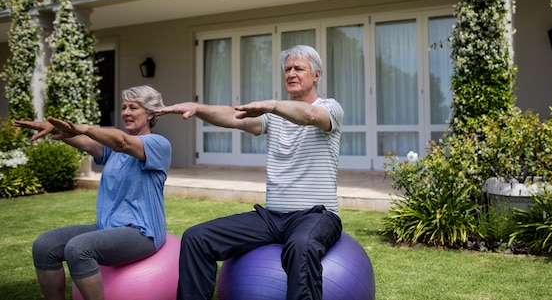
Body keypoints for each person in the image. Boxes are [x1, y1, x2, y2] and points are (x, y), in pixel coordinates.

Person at [156, 45, 344, 300]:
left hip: (317, 215)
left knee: (301, 245)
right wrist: (198, 108)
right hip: (273, 217)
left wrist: (272, 105)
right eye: (287, 69)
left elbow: (310, 116)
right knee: (197, 237)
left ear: (316, 75)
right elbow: (233, 117)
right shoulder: (273, 116)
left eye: (299, 68)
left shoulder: (331, 108)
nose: (291, 73)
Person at [14, 85, 172, 300]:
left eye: (133, 107)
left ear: (151, 114)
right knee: (45, 245)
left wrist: (86, 127)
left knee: (79, 248)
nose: (126, 112)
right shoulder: (113, 151)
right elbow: (88, 144)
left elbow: (122, 142)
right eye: (124, 107)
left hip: (142, 232)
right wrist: (53, 129)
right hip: (108, 226)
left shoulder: (158, 144)